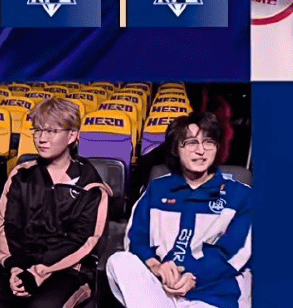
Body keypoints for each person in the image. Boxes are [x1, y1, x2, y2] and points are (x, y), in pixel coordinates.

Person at [0, 98, 108, 308]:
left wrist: (40, 271)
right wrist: (15, 268)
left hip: (67, 272)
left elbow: (82, 240)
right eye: (38, 130)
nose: (41, 138)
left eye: (51, 131)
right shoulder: (21, 175)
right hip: (18, 267)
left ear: (72, 136)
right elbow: (7, 226)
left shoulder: (91, 185)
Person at [107, 112, 251, 308]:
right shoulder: (158, 189)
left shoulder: (241, 195)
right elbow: (136, 238)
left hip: (213, 292)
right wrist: (156, 266)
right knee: (119, 261)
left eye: (209, 143)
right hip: (161, 288)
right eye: (191, 143)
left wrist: (194, 276)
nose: (200, 151)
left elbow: (235, 252)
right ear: (176, 148)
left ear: (217, 148)